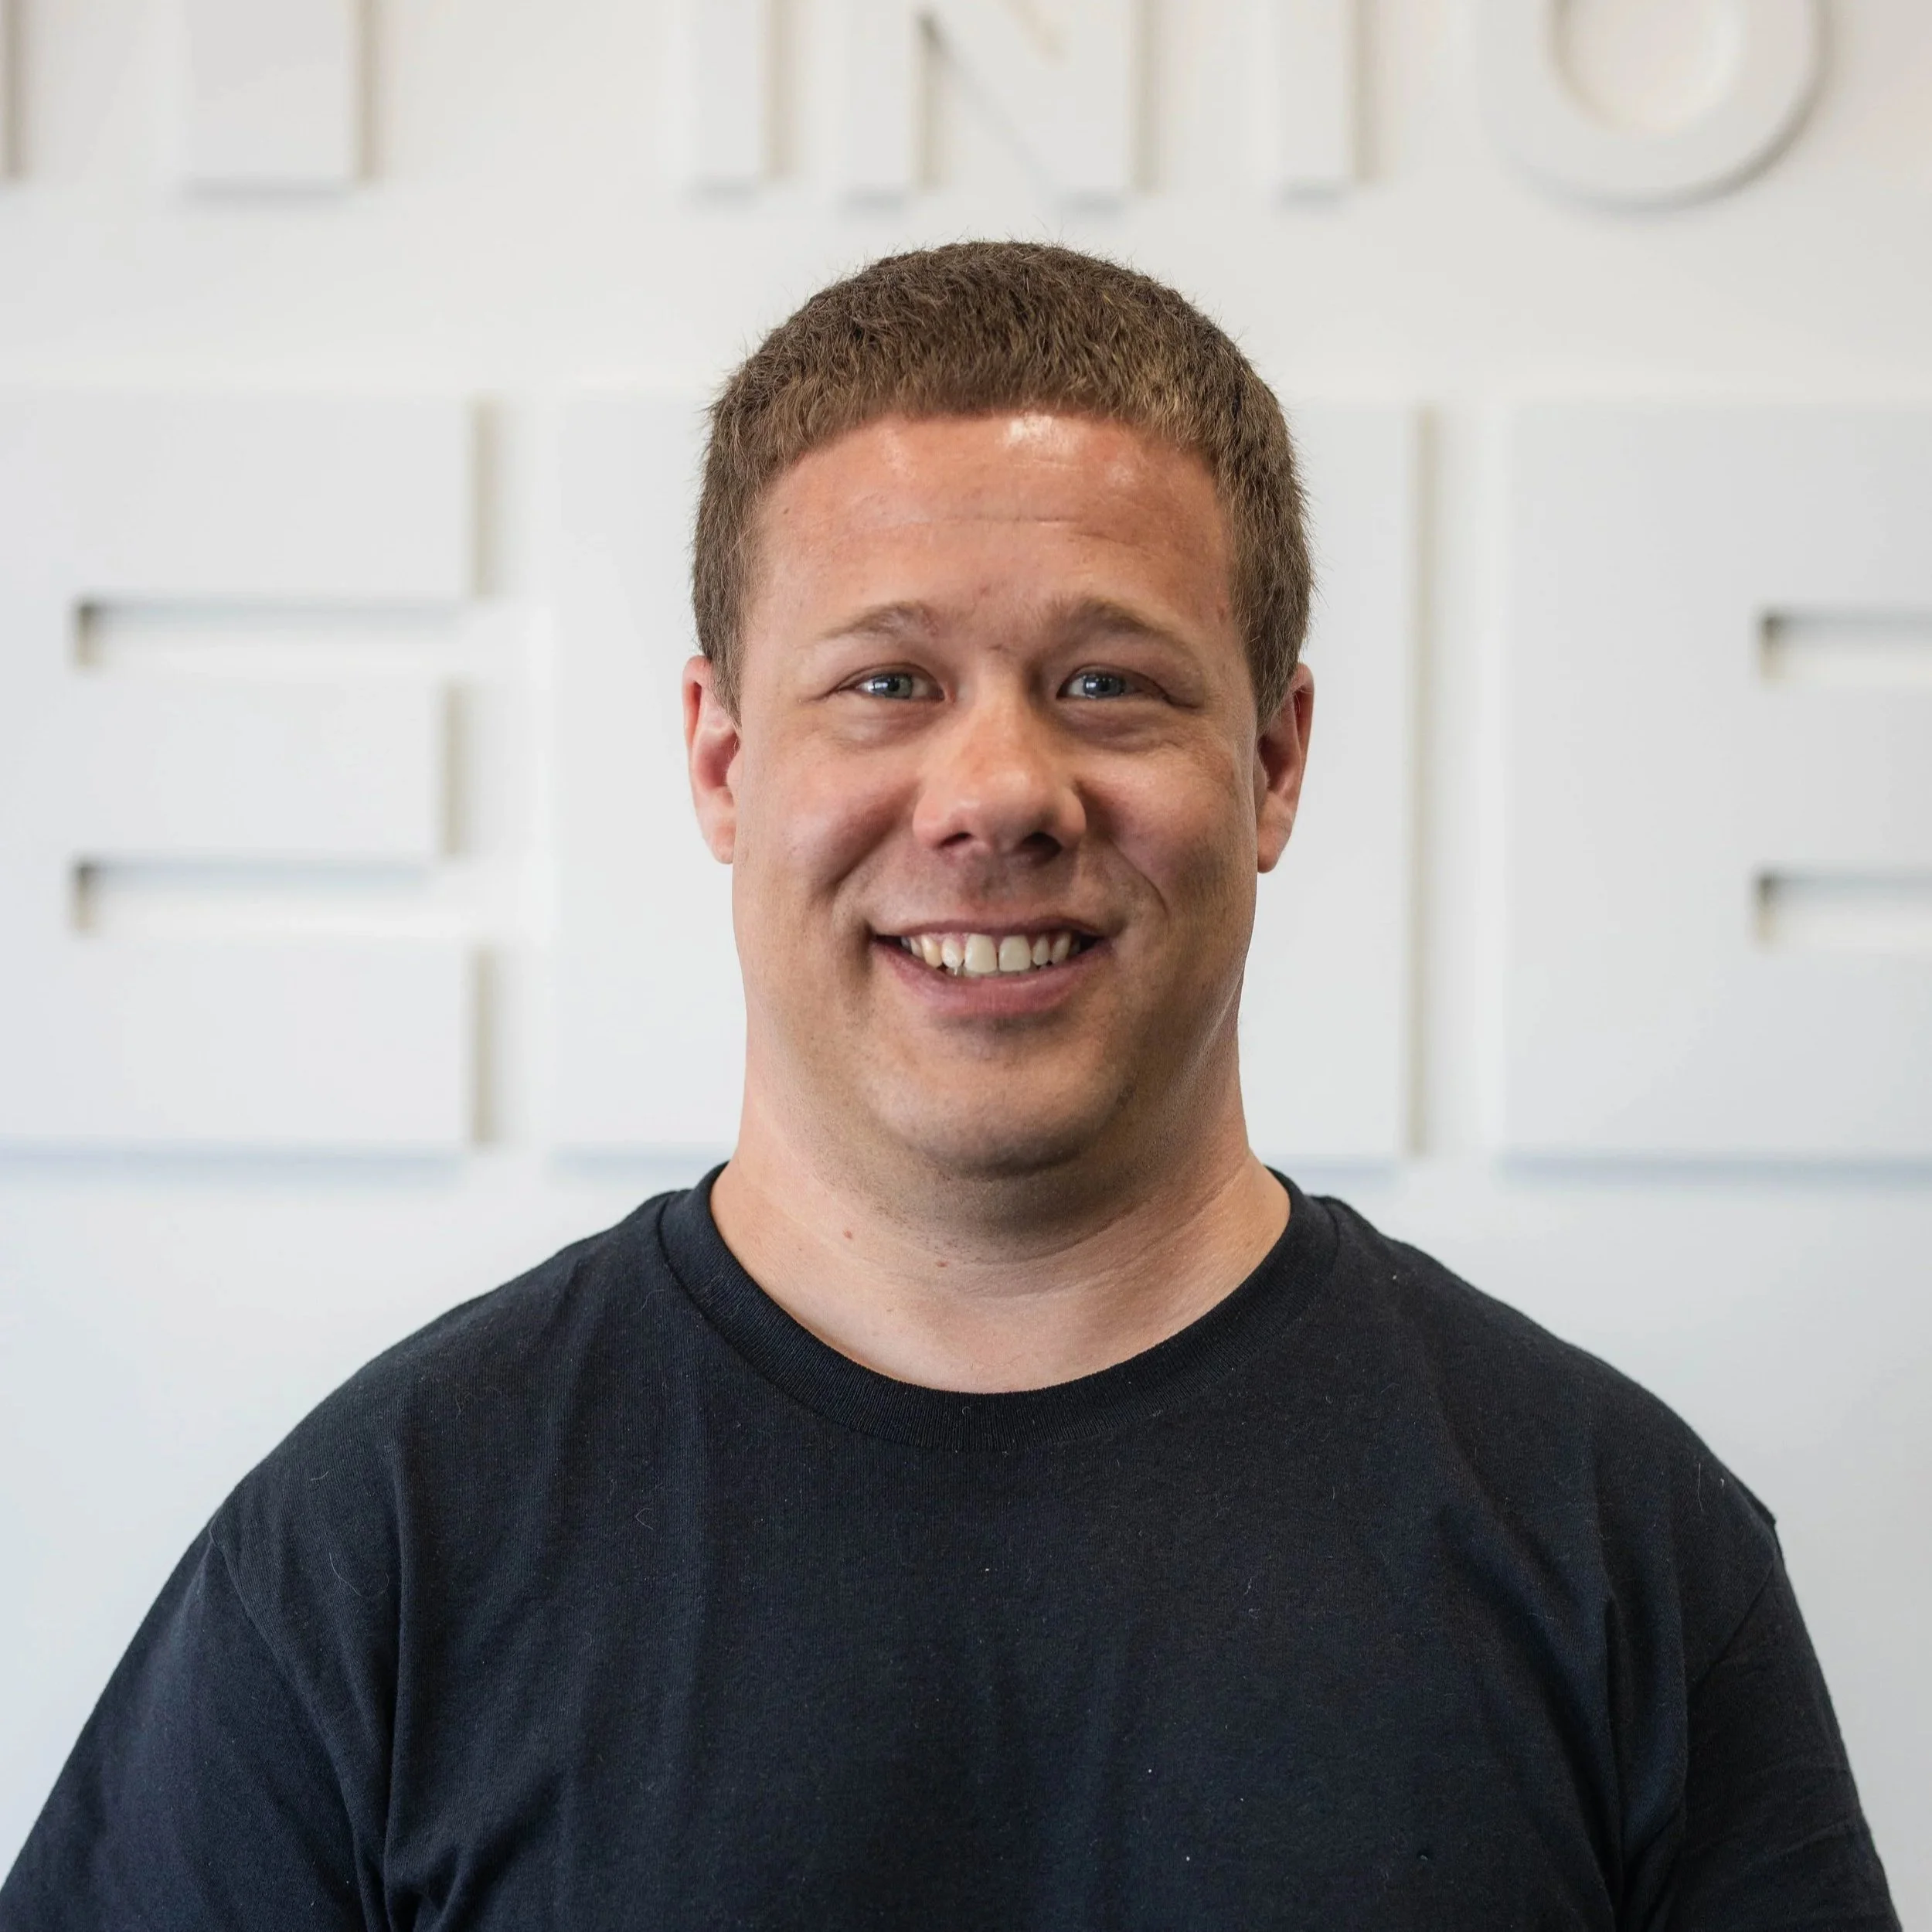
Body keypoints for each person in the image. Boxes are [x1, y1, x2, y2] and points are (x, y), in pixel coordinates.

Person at [1, 243, 1897, 1930]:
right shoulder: (382, 1547)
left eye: (1102, 683)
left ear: (1276, 760)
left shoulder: (1612, 1541)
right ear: (723, 762)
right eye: (888, 684)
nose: (997, 793)